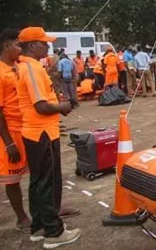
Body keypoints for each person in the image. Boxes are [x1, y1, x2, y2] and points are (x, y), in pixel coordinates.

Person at [16, 27, 80, 247]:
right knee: (48, 183)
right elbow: (41, 106)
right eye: (44, 42)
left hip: (39, 132)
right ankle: (54, 233)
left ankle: (40, 227)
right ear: (32, 45)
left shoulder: (29, 66)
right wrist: (62, 106)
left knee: (38, 182)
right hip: (41, 132)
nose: (48, 46)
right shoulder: (31, 68)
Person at [0, 29, 31, 232]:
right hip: (10, 132)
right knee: (12, 179)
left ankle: (46, 209)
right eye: (18, 45)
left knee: (38, 173)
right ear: (6, 47)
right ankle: (21, 217)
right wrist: (9, 142)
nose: (21, 49)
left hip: (28, 128)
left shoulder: (20, 67)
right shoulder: (1, 73)